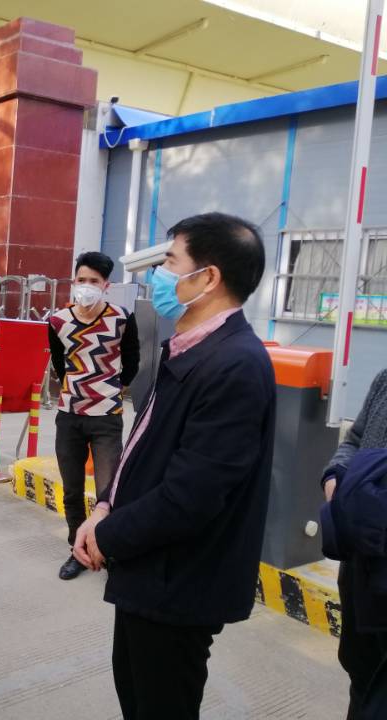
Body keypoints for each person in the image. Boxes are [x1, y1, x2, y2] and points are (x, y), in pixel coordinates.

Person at [73, 212, 276, 720]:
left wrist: (107, 536)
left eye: (169, 262)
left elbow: (192, 495)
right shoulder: (189, 348)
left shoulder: (234, 365)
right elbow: (143, 447)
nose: (158, 275)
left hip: (179, 582)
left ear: (208, 278)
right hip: (149, 569)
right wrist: (104, 507)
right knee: (136, 692)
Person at [48, 251, 139, 581]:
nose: (86, 286)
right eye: (81, 280)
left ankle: (108, 550)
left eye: (94, 281)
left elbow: (132, 362)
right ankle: (77, 549)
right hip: (69, 415)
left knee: (108, 492)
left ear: (106, 285)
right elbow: (59, 364)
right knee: (72, 489)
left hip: (106, 417)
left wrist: (109, 390)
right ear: (74, 281)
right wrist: (77, 391)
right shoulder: (58, 321)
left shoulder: (122, 318)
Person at [320, 368, 387, 718]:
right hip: (361, 570)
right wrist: (335, 477)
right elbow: (354, 439)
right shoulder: (384, 380)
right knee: (361, 674)